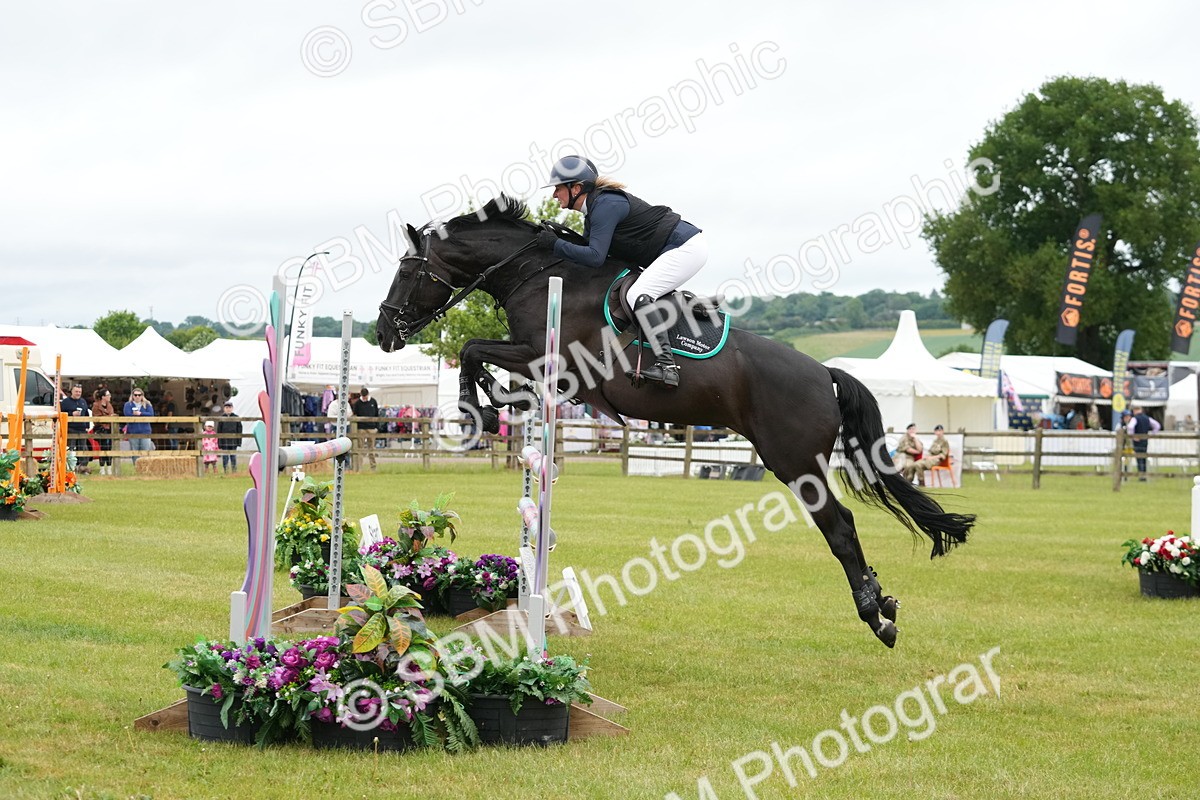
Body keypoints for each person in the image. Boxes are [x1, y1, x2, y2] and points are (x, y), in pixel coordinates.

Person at [537, 155, 707, 389]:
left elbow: (595, 257)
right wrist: (559, 239)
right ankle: (681, 302)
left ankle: (667, 366)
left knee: (637, 294)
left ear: (576, 188)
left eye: (558, 188)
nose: (554, 194)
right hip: (672, 250)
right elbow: (591, 255)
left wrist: (555, 245)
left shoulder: (606, 205)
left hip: (685, 248)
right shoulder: (594, 211)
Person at [59, 383, 92, 473]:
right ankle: (70, 468)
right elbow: (61, 414)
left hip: (82, 428)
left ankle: (82, 468)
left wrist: (87, 426)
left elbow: (86, 414)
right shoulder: (65, 402)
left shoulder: (83, 401)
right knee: (71, 448)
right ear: (72, 392)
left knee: (83, 449)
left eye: (79, 392)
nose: (78, 393)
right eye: (76, 391)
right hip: (70, 428)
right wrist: (71, 414)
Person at [1127, 405, 1161, 481]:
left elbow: (1130, 427)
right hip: (1145, 440)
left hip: (1137, 440)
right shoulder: (1147, 418)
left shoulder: (1134, 419)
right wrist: (1152, 434)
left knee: (1139, 457)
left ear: (1135, 410)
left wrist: (1132, 436)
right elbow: (1157, 426)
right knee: (1144, 456)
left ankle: (1141, 475)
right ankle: (1144, 475)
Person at [122, 388, 155, 465]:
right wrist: (134, 414)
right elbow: (127, 414)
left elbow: (151, 414)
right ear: (132, 396)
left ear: (142, 396)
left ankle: (146, 468)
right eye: (135, 395)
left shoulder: (147, 404)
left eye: (139, 395)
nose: (137, 397)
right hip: (133, 431)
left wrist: (140, 413)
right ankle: (136, 468)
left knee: (146, 451)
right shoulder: (128, 404)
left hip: (145, 431)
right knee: (134, 452)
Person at [351, 388, 379, 471]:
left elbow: (377, 414)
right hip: (361, 428)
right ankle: (359, 468)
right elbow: (355, 414)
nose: (365, 399)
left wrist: (376, 427)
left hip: (372, 428)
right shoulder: (357, 403)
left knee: (372, 449)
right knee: (360, 448)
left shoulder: (373, 401)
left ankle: (373, 467)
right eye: (363, 397)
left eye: (365, 397)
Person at [91, 389, 117, 475]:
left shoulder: (109, 406)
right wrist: (109, 417)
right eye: (108, 395)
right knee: (103, 447)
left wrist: (110, 418)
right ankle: (102, 468)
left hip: (109, 429)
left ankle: (109, 467)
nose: (110, 396)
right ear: (103, 397)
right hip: (100, 429)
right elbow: (97, 418)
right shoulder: (96, 406)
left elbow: (112, 415)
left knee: (109, 448)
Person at [216, 401, 242, 474]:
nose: (228, 409)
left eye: (230, 407)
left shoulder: (236, 417)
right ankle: (225, 471)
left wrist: (239, 441)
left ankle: (234, 471)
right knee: (225, 456)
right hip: (224, 441)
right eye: (226, 407)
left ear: (232, 408)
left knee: (233, 456)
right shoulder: (221, 418)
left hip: (233, 440)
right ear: (224, 408)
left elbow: (239, 430)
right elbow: (219, 431)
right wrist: (219, 443)